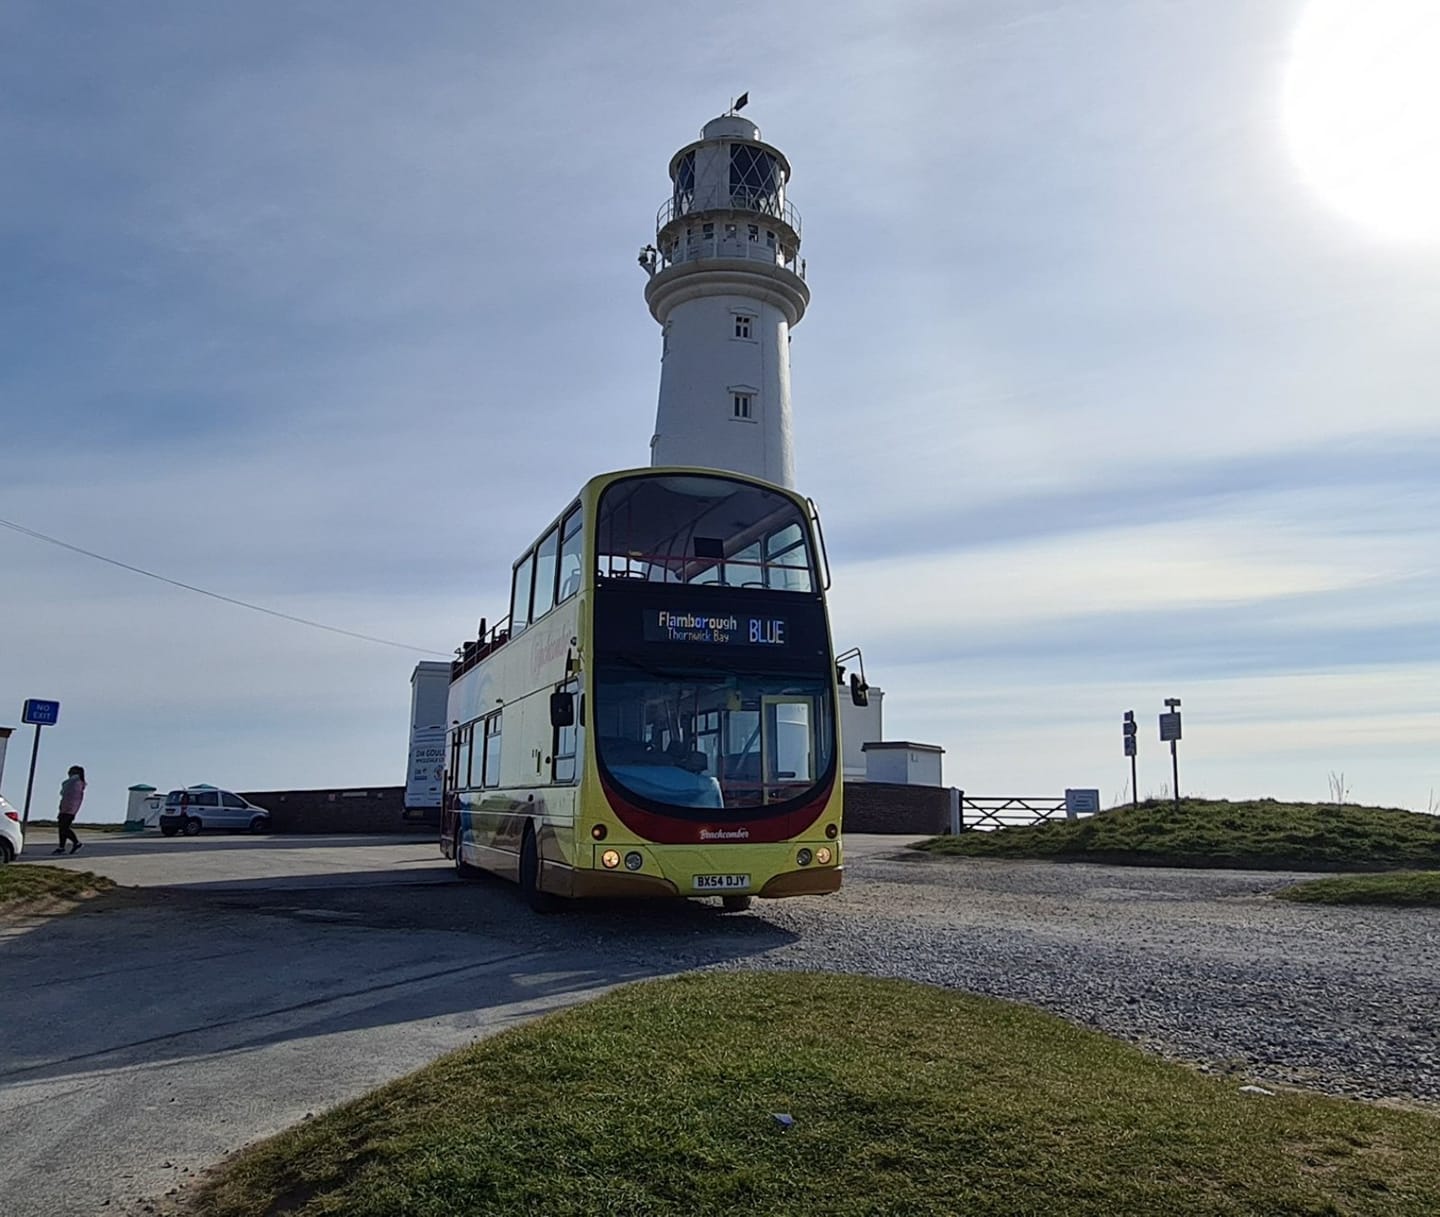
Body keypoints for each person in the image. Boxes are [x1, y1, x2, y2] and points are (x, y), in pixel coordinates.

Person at [54, 765, 86, 855]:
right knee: (62, 828)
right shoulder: (78, 783)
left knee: (64, 828)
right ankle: (61, 846)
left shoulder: (74, 782)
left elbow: (66, 794)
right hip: (70, 808)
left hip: (68, 808)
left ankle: (76, 842)